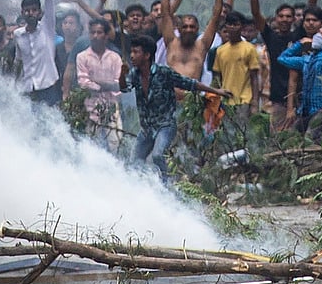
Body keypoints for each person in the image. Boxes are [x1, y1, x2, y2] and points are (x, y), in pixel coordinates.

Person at [122, 35, 231, 181]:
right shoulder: (134, 74)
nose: (131, 56)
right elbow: (124, 88)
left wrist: (216, 91)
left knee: (158, 155)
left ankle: (167, 185)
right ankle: (141, 186)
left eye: (136, 52)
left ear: (147, 55)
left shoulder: (163, 72)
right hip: (147, 127)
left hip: (165, 126)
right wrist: (122, 74)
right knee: (134, 161)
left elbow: (189, 83)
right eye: (131, 52)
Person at [249, 0, 319, 133]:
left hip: (301, 97)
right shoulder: (271, 37)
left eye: (289, 16)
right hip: (278, 99)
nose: (285, 19)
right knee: (279, 140)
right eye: (281, 16)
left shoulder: (298, 35)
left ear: (294, 19)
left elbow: (311, 7)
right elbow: (256, 13)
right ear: (276, 18)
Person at [14, 0, 60, 106]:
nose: (30, 13)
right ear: (22, 13)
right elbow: (18, 62)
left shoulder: (47, 28)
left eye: (34, 10)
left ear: (40, 13)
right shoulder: (18, 35)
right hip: (27, 88)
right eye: (27, 11)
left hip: (48, 87)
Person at [159, 0, 223, 81]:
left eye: (192, 27)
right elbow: (165, 14)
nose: (188, 30)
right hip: (171, 91)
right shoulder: (171, 42)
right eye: (185, 27)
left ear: (197, 29)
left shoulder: (202, 45)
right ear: (179, 29)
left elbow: (216, 17)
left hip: (193, 91)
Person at [75, 19, 124, 151]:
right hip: (90, 107)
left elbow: (120, 84)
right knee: (92, 145)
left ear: (106, 36)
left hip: (112, 107)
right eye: (92, 33)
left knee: (116, 142)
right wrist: (105, 86)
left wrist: (99, 84)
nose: (95, 36)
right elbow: (83, 83)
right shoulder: (82, 57)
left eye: (99, 32)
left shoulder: (115, 57)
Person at [211, 11, 261, 127]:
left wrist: (254, 102)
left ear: (242, 27)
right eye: (230, 24)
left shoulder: (249, 49)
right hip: (226, 100)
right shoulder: (220, 51)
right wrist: (214, 99)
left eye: (236, 24)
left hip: (244, 100)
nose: (232, 27)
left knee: (242, 131)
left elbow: (254, 77)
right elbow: (217, 77)